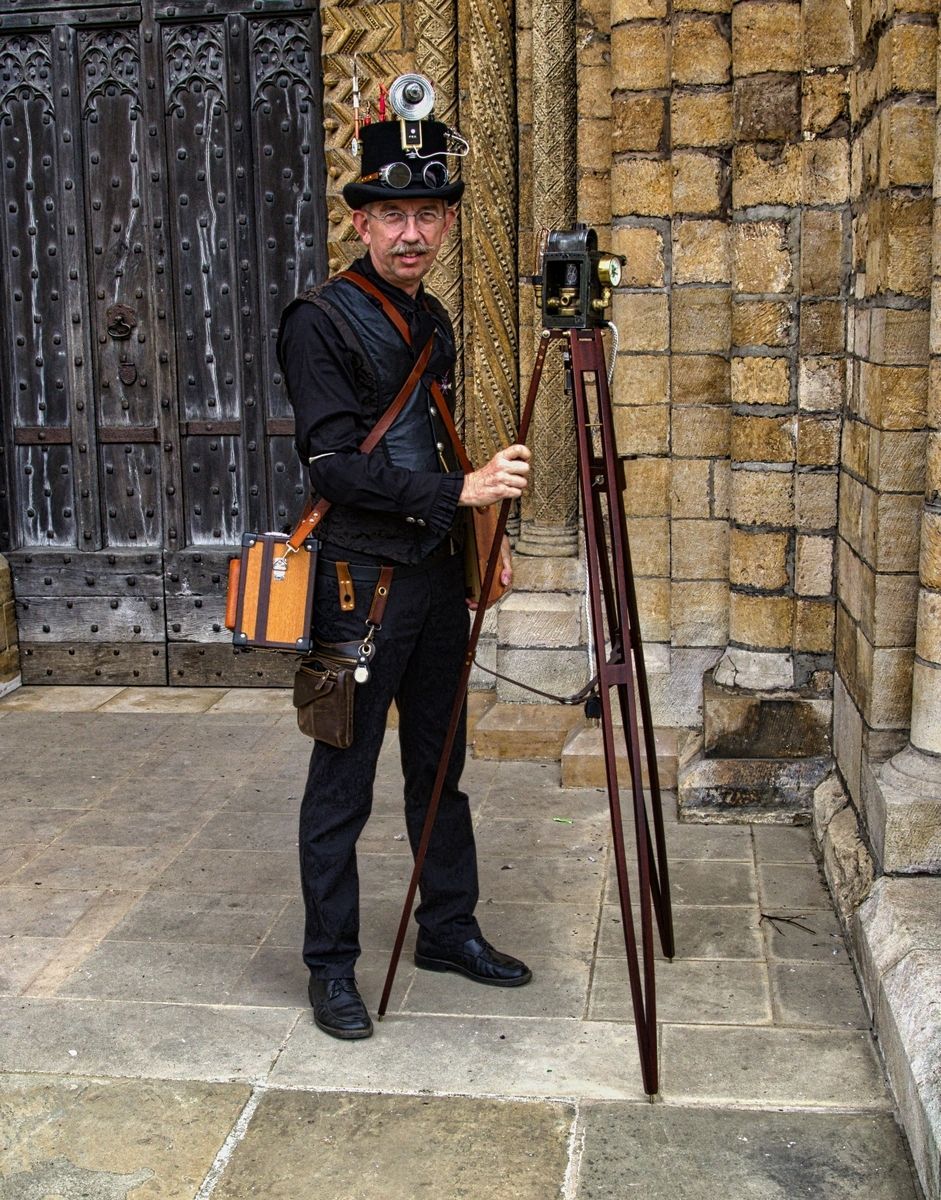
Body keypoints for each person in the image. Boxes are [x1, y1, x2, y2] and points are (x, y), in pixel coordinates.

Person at [278, 108, 533, 1041]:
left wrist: (482, 531)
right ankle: (331, 968)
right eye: (392, 215)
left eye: (428, 214)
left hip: (432, 575)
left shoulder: (433, 320)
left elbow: (437, 442)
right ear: (360, 223)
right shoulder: (317, 320)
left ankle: (447, 930)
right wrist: (459, 489)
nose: (411, 232)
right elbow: (335, 467)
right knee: (342, 779)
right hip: (357, 585)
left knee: (440, 770)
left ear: (448, 224)